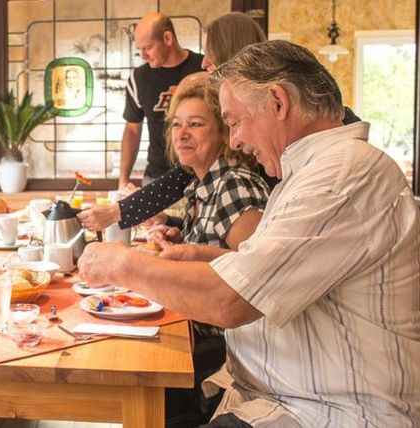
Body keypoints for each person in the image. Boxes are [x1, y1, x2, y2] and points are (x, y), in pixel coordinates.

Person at [79, 40, 420, 427]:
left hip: (325, 412)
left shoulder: (340, 176)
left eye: (235, 122)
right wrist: (208, 256)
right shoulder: (313, 170)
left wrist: (122, 264)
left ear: (278, 101)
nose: (235, 141)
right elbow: (277, 270)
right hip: (277, 397)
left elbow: (233, 302)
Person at [155, 80, 270, 427]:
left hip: (228, 355)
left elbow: (259, 279)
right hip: (198, 335)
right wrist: (179, 241)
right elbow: (218, 251)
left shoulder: (234, 184)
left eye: (196, 123)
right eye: (177, 124)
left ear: (222, 131)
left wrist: (192, 252)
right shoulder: (202, 185)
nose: (182, 134)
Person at [83, 12, 262, 232]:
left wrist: (117, 213)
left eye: (195, 123)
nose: (205, 62)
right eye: (176, 124)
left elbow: (244, 256)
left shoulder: (238, 180)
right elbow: (207, 232)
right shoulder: (140, 78)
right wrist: (169, 224)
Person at [118, 11, 204, 189]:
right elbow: (132, 130)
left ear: (167, 38)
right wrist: (123, 180)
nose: (143, 55)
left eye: (147, 48)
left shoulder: (204, 68)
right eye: (139, 49)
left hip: (201, 174)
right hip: (157, 176)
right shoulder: (138, 78)